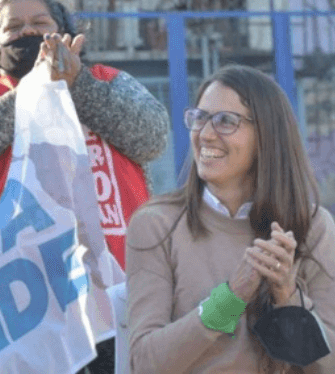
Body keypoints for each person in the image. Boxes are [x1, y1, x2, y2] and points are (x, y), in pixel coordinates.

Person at [0, 0, 168, 373]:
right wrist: (33, 90)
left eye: (40, 23)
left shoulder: (107, 80)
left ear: (64, 33)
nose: (27, 33)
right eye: (13, 28)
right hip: (27, 304)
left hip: (123, 291)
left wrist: (77, 84)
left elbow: (151, 136)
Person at [126, 65, 335, 373]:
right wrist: (231, 297)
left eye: (226, 121)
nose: (205, 134)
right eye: (200, 118)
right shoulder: (156, 223)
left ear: (267, 134)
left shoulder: (313, 226)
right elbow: (144, 362)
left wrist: (287, 298)